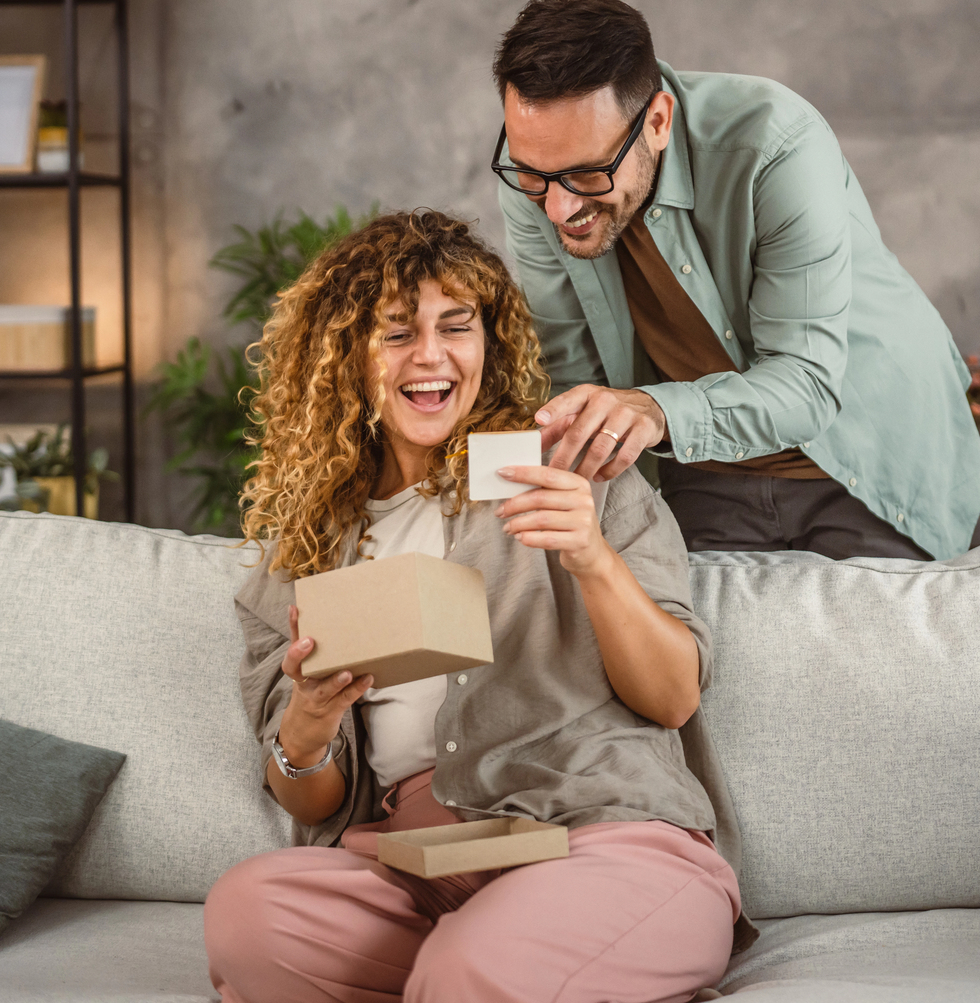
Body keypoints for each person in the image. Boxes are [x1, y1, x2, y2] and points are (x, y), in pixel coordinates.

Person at [205, 209, 748, 1003]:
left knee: (469, 966)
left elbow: (672, 695)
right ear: (347, 359)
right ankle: (503, 969)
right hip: (418, 867)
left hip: (596, 835)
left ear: (488, 344)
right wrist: (311, 720)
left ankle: (493, 965)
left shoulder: (572, 471)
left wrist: (591, 556)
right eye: (395, 333)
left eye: (456, 326)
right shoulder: (307, 550)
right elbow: (309, 795)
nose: (430, 355)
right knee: (248, 916)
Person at [492, 0, 980, 561]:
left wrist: (651, 411)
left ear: (656, 121)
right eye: (532, 175)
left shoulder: (776, 142)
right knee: (701, 652)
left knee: (871, 649)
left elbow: (805, 382)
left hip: (866, 457)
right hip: (704, 469)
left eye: (587, 173)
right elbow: (571, 372)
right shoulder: (537, 182)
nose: (556, 208)